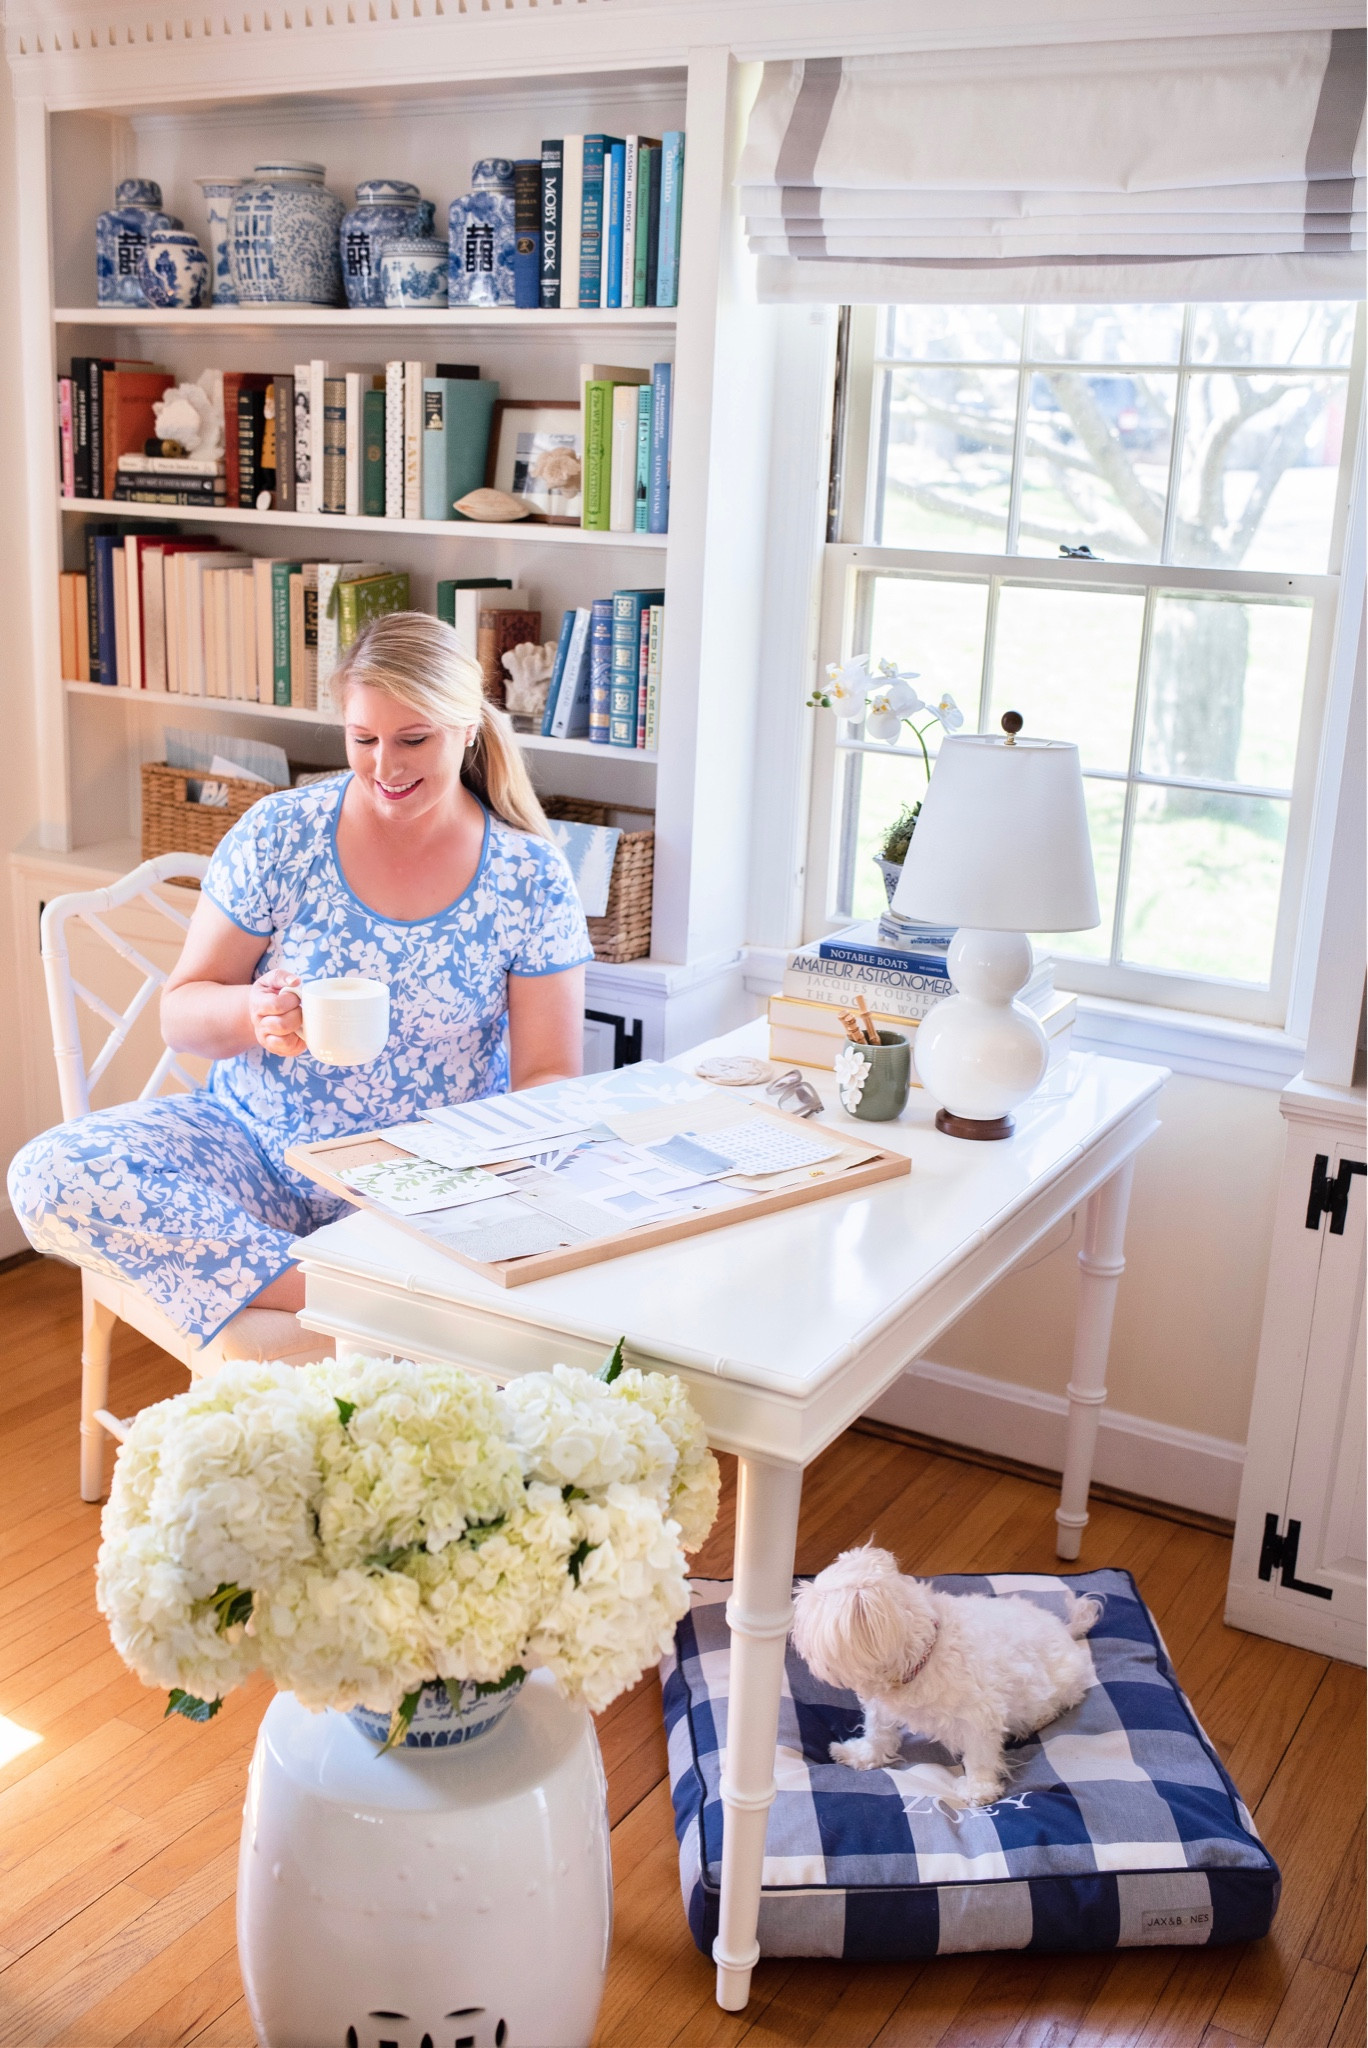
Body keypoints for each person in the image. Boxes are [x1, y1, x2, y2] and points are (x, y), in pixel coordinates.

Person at [9, 611, 592, 1343]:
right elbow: (181, 1014)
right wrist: (254, 1014)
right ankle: (360, 1295)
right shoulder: (283, 833)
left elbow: (550, 1080)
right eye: (363, 739)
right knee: (50, 1173)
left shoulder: (528, 875)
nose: (386, 766)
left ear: (468, 728)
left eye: (414, 739)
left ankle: (355, 1285)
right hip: (255, 1152)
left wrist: (455, 1176)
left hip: (423, 1187)